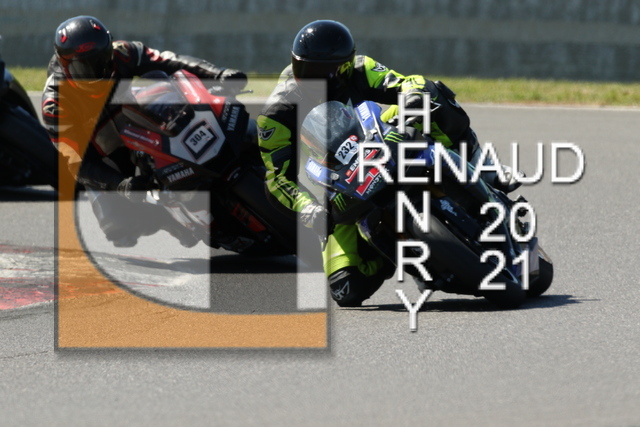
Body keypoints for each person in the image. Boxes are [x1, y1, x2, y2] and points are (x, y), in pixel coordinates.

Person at [257, 20, 521, 307]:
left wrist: (412, 98)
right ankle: (395, 250)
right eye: (305, 70)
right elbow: (277, 179)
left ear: (346, 66)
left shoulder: (361, 68)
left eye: (325, 72)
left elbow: (406, 83)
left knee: (431, 94)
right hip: (336, 184)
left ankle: (484, 168)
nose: (313, 81)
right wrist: (311, 210)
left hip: (378, 137)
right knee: (347, 288)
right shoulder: (276, 115)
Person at [42, 15, 248, 247]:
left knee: (216, 116)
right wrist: (119, 184)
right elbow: (77, 162)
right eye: (84, 67)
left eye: (101, 61)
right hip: (105, 154)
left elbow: (169, 61)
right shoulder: (55, 103)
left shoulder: (122, 52)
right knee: (118, 226)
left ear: (109, 50)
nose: (97, 71)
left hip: (140, 122)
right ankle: (170, 220)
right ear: (65, 65)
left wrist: (216, 73)